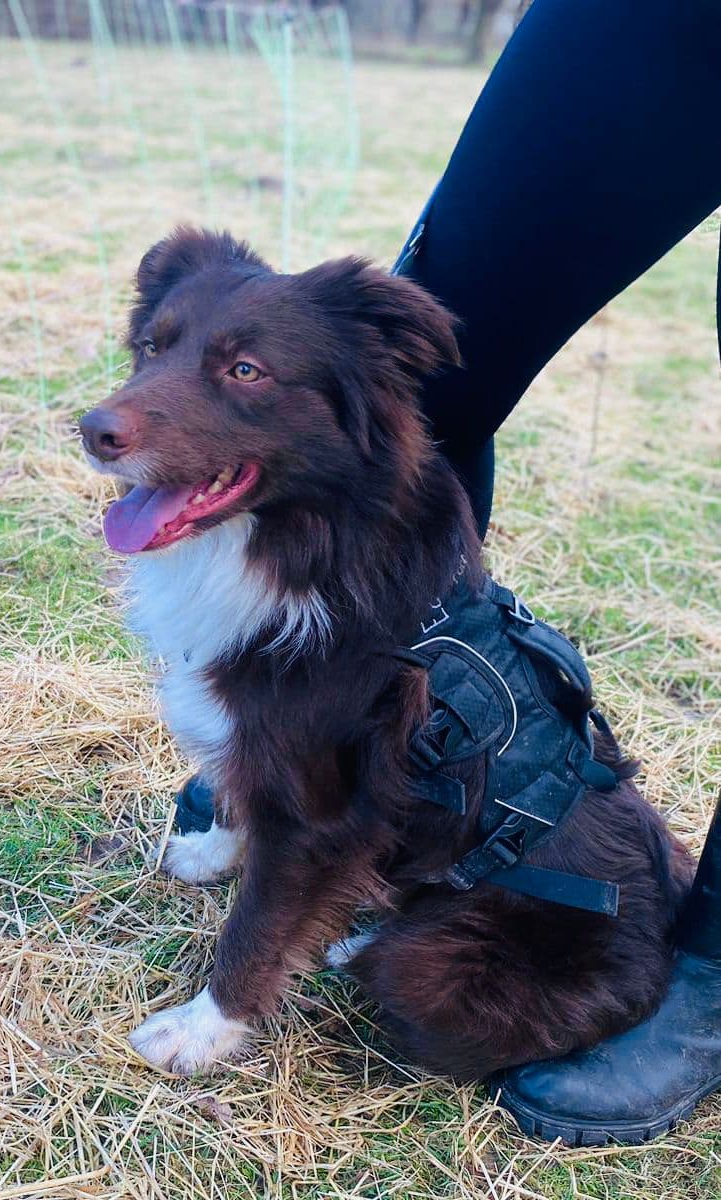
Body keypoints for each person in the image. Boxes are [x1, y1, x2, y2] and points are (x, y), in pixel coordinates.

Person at [175, 0, 721, 1144]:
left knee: (416, 994)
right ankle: (309, 744)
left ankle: (708, 973)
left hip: (531, 955)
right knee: (442, 362)